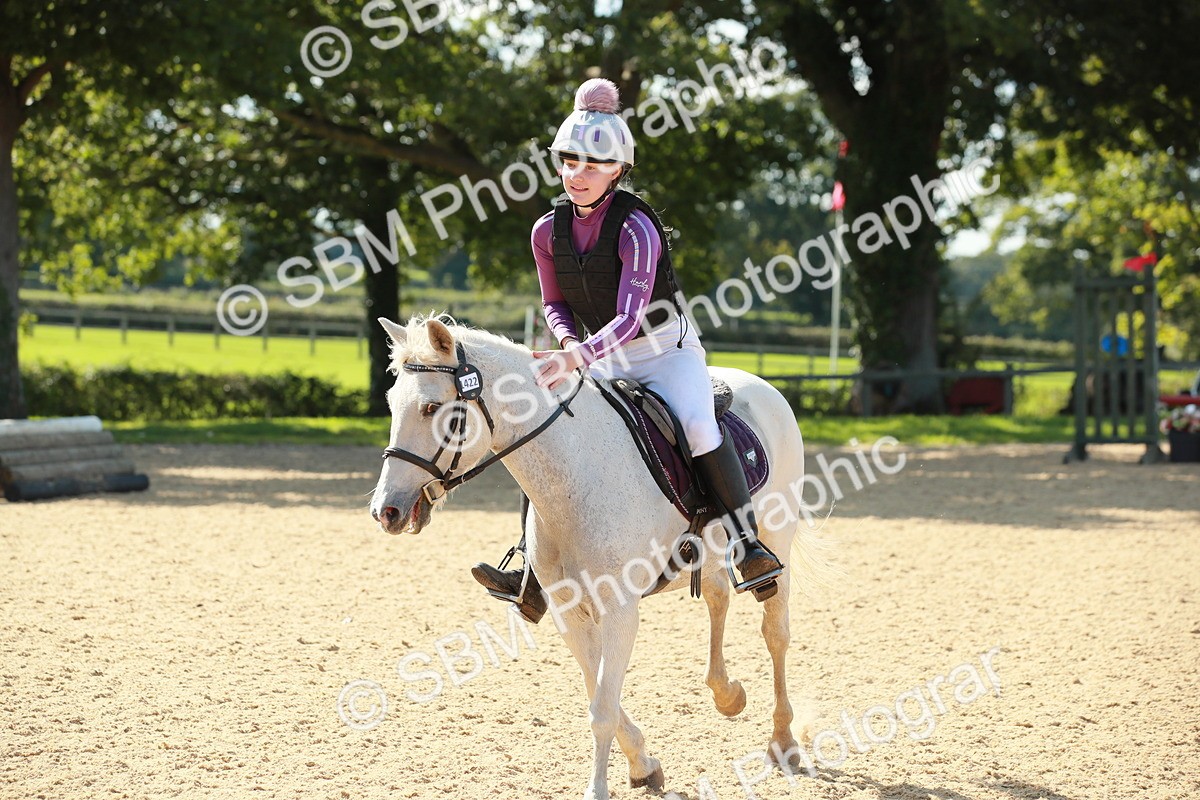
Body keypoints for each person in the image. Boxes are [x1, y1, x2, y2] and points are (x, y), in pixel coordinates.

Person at [471, 78, 783, 623]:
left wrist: (575, 357)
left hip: (664, 351)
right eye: (569, 161)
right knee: (545, 427)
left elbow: (630, 317)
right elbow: (554, 305)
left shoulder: (637, 228)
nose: (578, 174)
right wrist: (569, 347)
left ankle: (746, 543)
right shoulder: (547, 231)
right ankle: (528, 566)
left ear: (618, 169)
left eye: (593, 164)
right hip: (594, 355)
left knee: (698, 425)